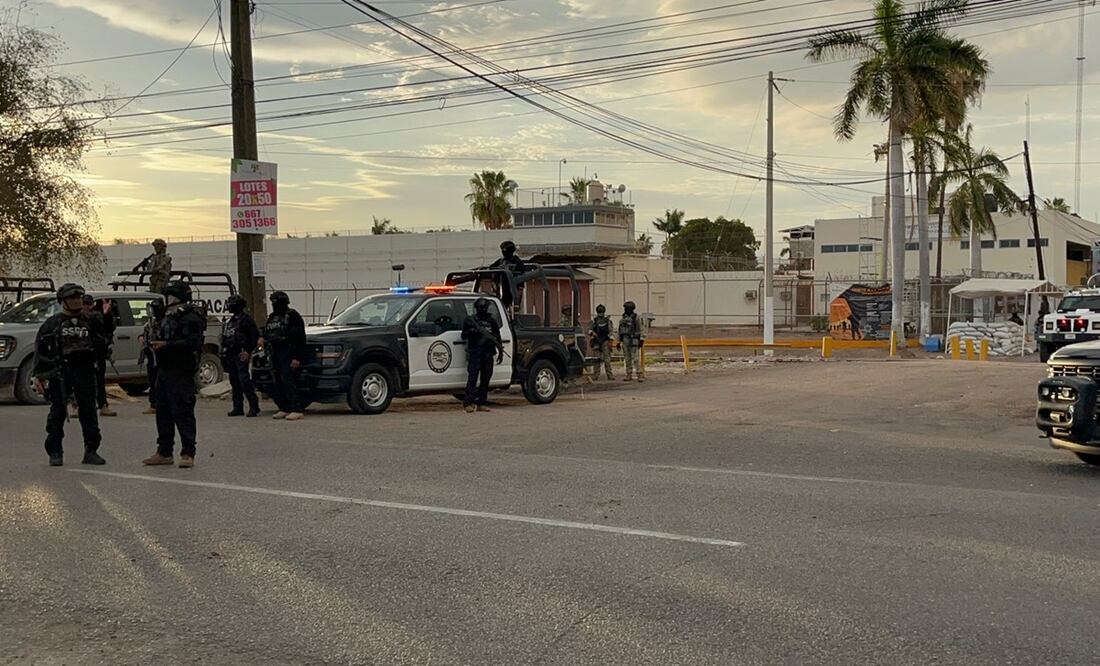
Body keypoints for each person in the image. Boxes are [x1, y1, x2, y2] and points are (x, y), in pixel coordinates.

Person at [33, 283, 106, 466]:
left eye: (78, 297)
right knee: (57, 412)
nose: (76, 301)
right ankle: (55, 451)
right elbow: (41, 351)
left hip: (85, 370)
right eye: (71, 298)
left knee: (88, 411)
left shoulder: (91, 320)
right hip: (60, 372)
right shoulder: (52, 324)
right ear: (63, 301)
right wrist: (41, 374)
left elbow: (102, 344)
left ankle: (91, 450)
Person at [142, 281, 205, 469]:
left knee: (183, 412)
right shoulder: (168, 316)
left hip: (181, 370)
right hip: (164, 369)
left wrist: (167, 345)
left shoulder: (190, 317)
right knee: (162, 411)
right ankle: (164, 451)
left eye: (170, 295)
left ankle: (188, 453)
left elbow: (193, 343)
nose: (167, 299)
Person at [259, 291, 307, 421]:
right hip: (275, 351)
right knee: (277, 380)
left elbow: (301, 338)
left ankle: (296, 409)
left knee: (288, 380)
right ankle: (284, 407)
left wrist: (297, 357)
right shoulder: (272, 317)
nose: (274, 305)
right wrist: (262, 338)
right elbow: (266, 331)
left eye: (276, 302)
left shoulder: (292, 316)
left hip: (289, 351)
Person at [221, 294, 261, 417]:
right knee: (234, 381)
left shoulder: (246, 320)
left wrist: (248, 351)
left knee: (244, 380)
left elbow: (254, 336)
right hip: (230, 353)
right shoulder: (231, 321)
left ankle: (254, 406)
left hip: (241, 353)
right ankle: (237, 407)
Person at [461, 297, 504, 413]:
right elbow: (463, 335)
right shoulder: (471, 320)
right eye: (480, 307)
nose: (482, 309)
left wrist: (500, 351)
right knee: (473, 378)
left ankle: (481, 402)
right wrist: (473, 332)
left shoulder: (491, 321)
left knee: (486, 379)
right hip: (475, 352)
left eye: (483, 307)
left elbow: (497, 337)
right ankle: (468, 403)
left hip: (488, 353)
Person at [83, 294, 118, 417]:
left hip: (97, 353)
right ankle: (76, 405)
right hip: (80, 354)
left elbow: (108, 327)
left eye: (88, 304)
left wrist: (107, 314)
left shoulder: (97, 316)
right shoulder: (75, 318)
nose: (86, 307)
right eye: (84, 304)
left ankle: (103, 405)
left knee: (99, 381)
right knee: (79, 381)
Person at [138, 300, 166, 415]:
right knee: (153, 380)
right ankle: (153, 404)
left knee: (162, 381)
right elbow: (144, 333)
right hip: (151, 355)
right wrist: (141, 338)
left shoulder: (167, 322)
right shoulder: (151, 323)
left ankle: (162, 404)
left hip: (163, 356)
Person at [489, 240, 526, 309]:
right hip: (501, 286)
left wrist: (519, 290)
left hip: (513, 287)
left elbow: (522, 274)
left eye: (505, 250)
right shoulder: (501, 261)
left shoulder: (516, 261)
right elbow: (491, 268)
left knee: (513, 307)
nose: (503, 252)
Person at [618, 300, 647, 382]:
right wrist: (618, 341)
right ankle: (628, 374)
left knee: (635, 359)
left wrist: (641, 339)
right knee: (627, 359)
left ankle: (639, 374)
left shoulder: (636, 318)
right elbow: (620, 330)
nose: (625, 309)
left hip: (634, 340)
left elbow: (641, 329)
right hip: (625, 340)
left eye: (627, 308)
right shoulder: (623, 318)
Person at [588, 304, 615, 380]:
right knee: (596, 359)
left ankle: (610, 375)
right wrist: (593, 333)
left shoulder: (608, 321)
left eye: (601, 312)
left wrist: (610, 342)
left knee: (607, 359)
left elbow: (611, 332)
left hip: (605, 341)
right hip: (596, 341)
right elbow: (589, 330)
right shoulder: (594, 321)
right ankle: (596, 375)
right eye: (599, 312)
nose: (600, 314)